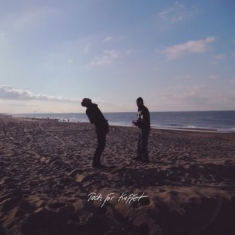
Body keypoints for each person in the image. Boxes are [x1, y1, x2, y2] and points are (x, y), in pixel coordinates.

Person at [81, 98, 109, 168]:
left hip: (102, 126)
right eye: (87, 100)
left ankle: (96, 162)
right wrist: (101, 122)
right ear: (86, 103)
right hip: (100, 127)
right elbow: (92, 120)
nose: (89, 99)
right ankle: (96, 163)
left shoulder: (93, 107)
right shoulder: (89, 109)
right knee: (100, 145)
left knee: (101, 145)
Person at [132, 97, 150, 162]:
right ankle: (139, 156)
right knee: (139, 143)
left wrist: (137, 123)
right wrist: (136, 122)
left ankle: (145, 158)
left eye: (138, 102)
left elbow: (144, 121)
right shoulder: (139, 109)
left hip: (145, 128)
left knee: (143, 144)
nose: (137, 103)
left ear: (141, 102)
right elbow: (140, 119)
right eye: (136, 102)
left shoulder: (144, 110)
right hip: (141, 128)